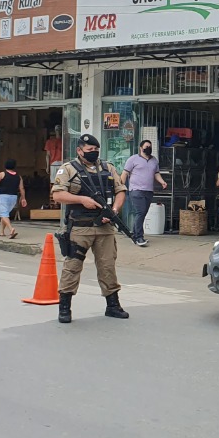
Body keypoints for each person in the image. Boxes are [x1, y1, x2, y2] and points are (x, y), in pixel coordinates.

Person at [51, 134, 129, 324]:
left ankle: (113, 305)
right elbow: (58, 195)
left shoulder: (108, 167)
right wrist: (81, 200)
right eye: (89, 150)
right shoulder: (68, 169)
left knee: (107, 266)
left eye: (96, 150)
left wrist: (114, 211)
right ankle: (64, 307)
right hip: (80, 227)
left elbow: (120, 191)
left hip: (104, 227)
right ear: (79, 150)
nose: (93, 153)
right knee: (72, 267)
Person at [122, 139, 166, 247]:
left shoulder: (154, 160)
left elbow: (156, 173)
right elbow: (125, 173)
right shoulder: (133, 159)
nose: (148, 148)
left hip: (149, 191)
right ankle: (139, 237)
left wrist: (162, 182)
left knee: (142, 213)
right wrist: (120, 187)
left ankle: (134, 234)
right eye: (146, 146)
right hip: (136, 190)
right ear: (141, 148)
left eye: (150, 146)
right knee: (140, 212)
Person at [0, 159, 26, 239]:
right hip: (13, 197)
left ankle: (11, 229)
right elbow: (21, 188)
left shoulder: (2, 174)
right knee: (5, 214)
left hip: (3, 196)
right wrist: (23, 198)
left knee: (3, 214)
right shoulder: (18, 177)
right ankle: (2, 232)